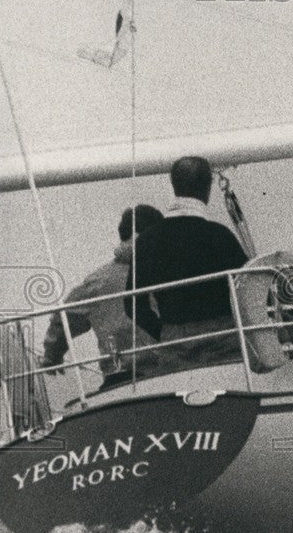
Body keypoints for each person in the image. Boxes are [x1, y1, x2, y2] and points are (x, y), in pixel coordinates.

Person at [125, 156, 248, 365]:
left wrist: (164, 333)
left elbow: (132, 305)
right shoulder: (220, 236)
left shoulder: (147, 241)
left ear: (173, 184)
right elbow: (249, 289)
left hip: (176, 344)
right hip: (224, 339)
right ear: (208, 187)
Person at [41, 205, 164, 387]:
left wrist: (52, 355)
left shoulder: (98, 281)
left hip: (119, 376)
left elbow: (64, 318)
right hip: (166, 371)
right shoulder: (165, 273)